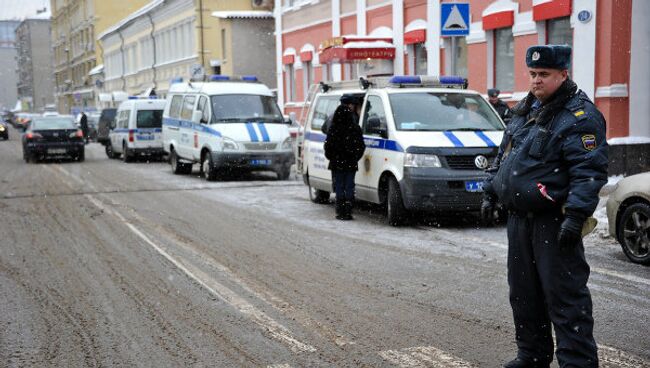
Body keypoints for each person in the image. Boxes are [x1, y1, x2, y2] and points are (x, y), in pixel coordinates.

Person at [482, 45, 608, 368]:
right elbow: (504, 155)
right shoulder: (525, 110)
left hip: (554, 223)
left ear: (563, 74)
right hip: (520, 222)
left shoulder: (579, 116)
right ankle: (532, 355)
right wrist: (491, 192)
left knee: (565, 300)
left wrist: (576, 215)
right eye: (533, 74)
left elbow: (588, 171)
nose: (536, 80)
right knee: (524, 296)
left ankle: (577, 362)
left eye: (544, 75)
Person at [324, 95, 366, 220]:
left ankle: (340, 211)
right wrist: (354, 157)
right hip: (350, 163)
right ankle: (348, 211)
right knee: (349, 187)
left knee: (339, 186)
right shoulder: (354, 128)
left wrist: (332, 157)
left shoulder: (333, 129)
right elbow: (361, 146)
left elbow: (327, 147)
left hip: (337, 163)